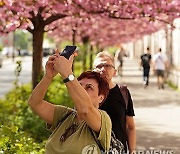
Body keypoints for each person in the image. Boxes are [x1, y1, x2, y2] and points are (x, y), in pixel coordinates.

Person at [28, 51, 112, 154]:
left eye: (89, 87)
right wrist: (48, 76)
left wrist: (67, 72)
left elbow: (85, 110)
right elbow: (34, 103)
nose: (82, 90)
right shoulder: (64, 115)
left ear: (100, 98)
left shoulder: (103, 119)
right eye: (79, 86)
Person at [93, 51, 136, 153]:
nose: (103, 69)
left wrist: (132, 151)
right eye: (99, 66)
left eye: (107, 66)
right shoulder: (87, 93)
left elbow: (130, 127)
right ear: (93, 71)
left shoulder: (123, 92)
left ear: (115, 71)